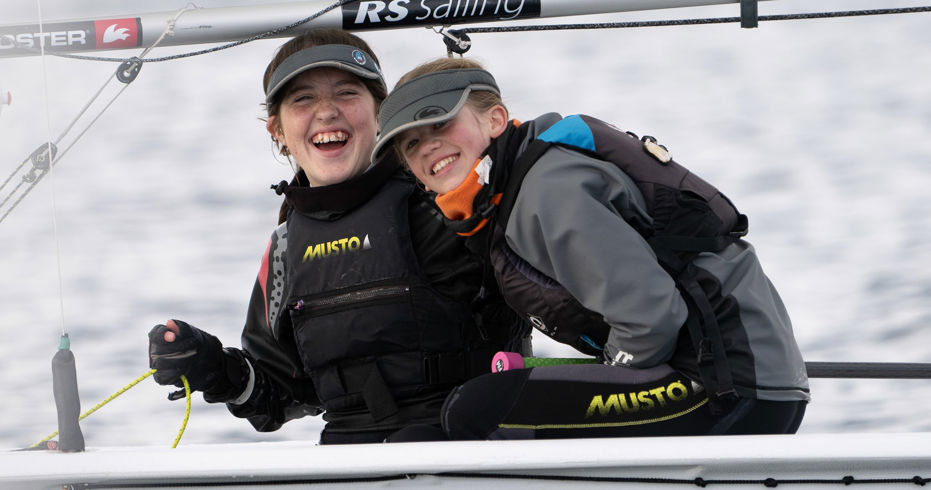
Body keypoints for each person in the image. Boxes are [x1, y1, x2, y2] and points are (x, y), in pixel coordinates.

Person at [371, 57, 810, 439]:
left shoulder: (546, 190)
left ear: (496, 120)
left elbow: (652, 317)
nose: (428, 145)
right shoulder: (507, 197)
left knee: (478, 410)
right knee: (424, 437)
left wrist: (605, 378)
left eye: (441, 122)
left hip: (728, 385)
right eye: (411, 143)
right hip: (740, 379)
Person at [147, 32, 530, 445]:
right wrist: (215, 371)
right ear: (276, 128)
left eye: (347, 93)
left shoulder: (449, 199)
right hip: (350, 461)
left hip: (481, 448)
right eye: (303, 99)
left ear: (382, 114)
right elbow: (280, 395)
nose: (327, 113)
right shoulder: (285, 246)